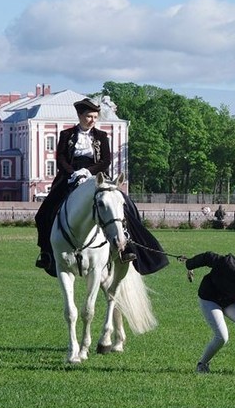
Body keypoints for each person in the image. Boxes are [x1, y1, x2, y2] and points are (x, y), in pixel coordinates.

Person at [34, 96, 168, 276]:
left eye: (95, 117)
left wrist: (88, 172)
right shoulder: (66, 135)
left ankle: (127, 248)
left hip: (97, 176)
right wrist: (74, 173)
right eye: (89, 116)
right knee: (43, 214)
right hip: (69, 177)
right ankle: (46, 254)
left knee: (126, 207)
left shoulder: (101, 136)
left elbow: (106, 161)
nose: (92, 120)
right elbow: (61, 160)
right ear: (80, 116)